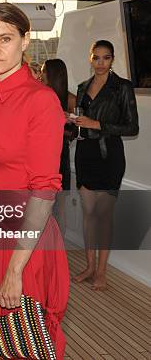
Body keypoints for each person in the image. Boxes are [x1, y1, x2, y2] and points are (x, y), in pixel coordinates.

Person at [0, 2, 70, 359]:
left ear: (25, 41)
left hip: (22, 236)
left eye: (5, 39)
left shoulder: (41, 102)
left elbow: (44, 190)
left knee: (26, 340)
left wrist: (15, 268)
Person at [73, 40, 139, 291]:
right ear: (90, 59)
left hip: (109, 156)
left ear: (112, 60)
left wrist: (96, 124)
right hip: (84, 154)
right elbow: (82, 123)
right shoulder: (82, 87)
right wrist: (72, 125)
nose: (100, 63)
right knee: (88, 216)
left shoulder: (122, 87)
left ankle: (101, 272)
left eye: (106, 58)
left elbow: (132, 127)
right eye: (96, 57)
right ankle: (89, 266)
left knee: (104, 218)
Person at [41, 59, 73, 232]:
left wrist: (62, 123)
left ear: (55, 74)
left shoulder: (70, 99)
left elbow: (77, 131)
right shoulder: (37, 95)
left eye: (45, 71)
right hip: (40, 156)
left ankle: (59, 250)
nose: (41, 74)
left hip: (60, 155)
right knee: (41, 205)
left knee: (60, 206)